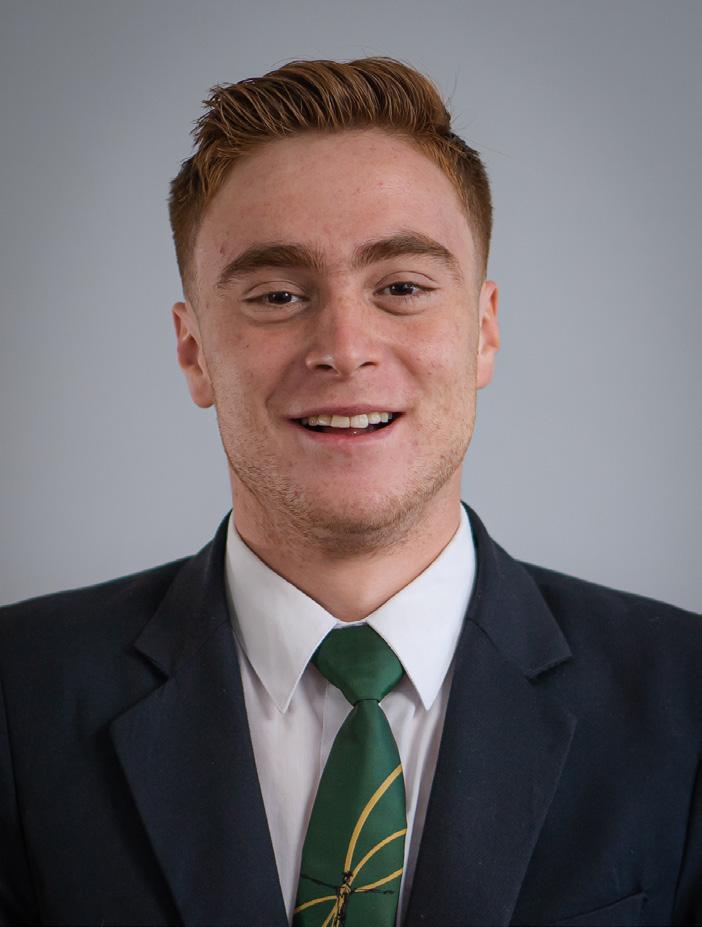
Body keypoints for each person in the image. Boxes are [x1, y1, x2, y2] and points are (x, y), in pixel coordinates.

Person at [0, 56, 699, 927]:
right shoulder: (17, 696)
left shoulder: (686, 698)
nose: (343, 346)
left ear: (483, 331)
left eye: (401, 287)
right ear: (193, 350)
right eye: (277, 294)